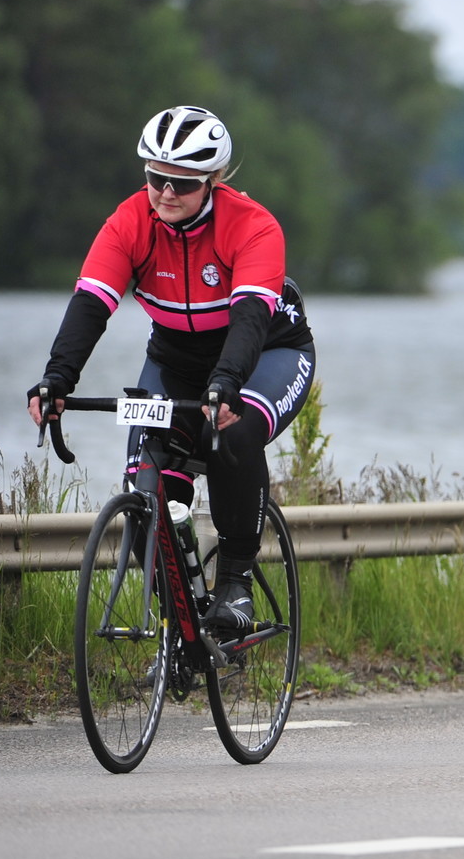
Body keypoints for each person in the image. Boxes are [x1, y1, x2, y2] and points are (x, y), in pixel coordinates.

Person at [29, 106, 316, 635]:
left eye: (181, 183)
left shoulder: (252, 226)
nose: (164, 192)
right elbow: (91, 304)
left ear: (211, 180)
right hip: (175, 360)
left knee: (232, 431)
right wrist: (57, 379)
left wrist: (227, 383)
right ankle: (180, 633)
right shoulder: (130, 221)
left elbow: (250, 320)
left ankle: (236, 581)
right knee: (147, 482)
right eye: (155, 177)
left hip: (265, 352)